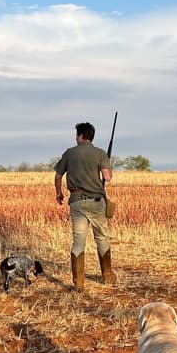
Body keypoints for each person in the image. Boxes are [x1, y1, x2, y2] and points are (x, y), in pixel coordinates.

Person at [54, 122, 115, 291]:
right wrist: (106, 164)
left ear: (81, 136)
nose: (75, 138)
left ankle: (79, 283)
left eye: (76, 135)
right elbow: (107, 177)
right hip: (97, 202)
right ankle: (108, 276)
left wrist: (59, 193)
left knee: (78, 241)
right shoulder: (100, 153)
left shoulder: (69, 153)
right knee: (102, 237)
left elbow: (58, 176)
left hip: (77, 201)